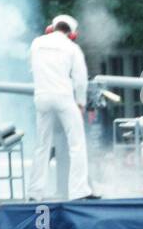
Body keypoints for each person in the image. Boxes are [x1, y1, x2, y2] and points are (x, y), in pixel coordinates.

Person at [28, 13, 96, 201]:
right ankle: (79, 191)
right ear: (72, 34)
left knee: (42, 145)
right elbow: (80, 80)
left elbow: (33, 68)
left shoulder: (36, 43)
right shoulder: (72, 48)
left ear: (51, 28)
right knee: (76, 144)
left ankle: (35, 192)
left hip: (41, 97)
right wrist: (81, 102)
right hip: (63, 97)